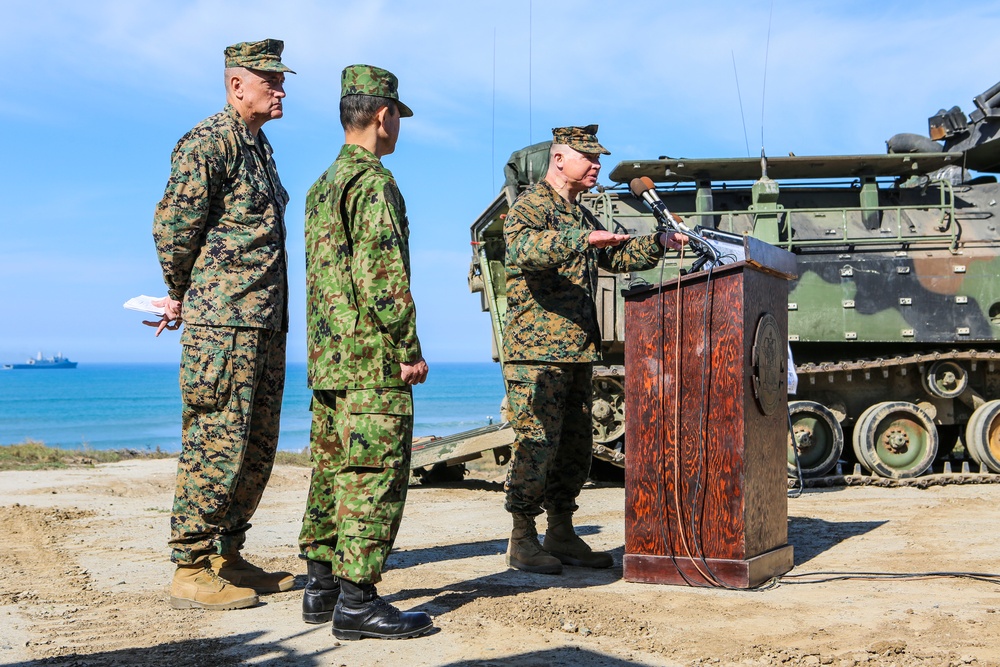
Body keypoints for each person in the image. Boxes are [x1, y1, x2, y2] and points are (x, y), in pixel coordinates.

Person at [502, 125, 687, 575]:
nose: (598, 166)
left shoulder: (581, 214)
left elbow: (615, 257)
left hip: (577, 349)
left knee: (575, 447)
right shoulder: (530, 206)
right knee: (536, 445)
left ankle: (561, 532)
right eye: (589, 157)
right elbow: (522, 248)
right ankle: (522, 538)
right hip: (536, 352)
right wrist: (580, 241)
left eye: (598, 158)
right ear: (560, 158)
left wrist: (657, 244)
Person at [150, 39, 295, 610]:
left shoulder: (258, 148)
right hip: (224, 323)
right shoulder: (209, 141)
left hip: (263, 321)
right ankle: (189, 563)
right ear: (238, 85)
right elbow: (174, 229)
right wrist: (184, 295)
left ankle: (226, 555)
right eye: (270, 81)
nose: (281, 90)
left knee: (257, 445)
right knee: (217, 440)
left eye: (282, 81)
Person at [298, 64, 433, 641]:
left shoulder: (321, 185)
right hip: (371, 361)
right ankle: (357, 602)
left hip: (330, 362)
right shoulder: (373, 183)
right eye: (397, 117)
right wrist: (408, 347)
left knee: (331, 470)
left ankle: (321, 587)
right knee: (374, 475)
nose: (398, 127)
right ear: (382, 116)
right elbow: (382, 277)